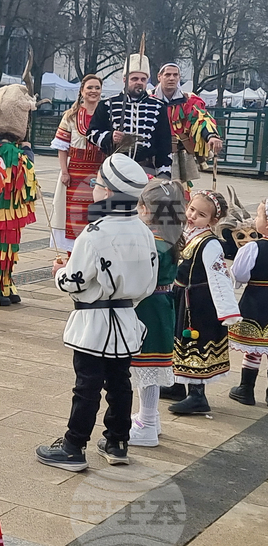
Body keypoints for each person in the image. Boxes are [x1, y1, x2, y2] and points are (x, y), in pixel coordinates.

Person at [36, 154, 158, 471]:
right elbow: (148, 283)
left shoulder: (95, 232)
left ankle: (73, 447)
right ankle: (118, 442)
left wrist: (59, 272)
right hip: (128, 321)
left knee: (86, 386)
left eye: (97, 184)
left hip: (94, 323)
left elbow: (74, 281)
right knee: (120, 384)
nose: (94, 189)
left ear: (107, 192)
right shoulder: (144, 232)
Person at [163, 189, 241, 415]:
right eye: (192, 209)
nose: (193, 215)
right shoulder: (189, 233)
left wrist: (227, 310)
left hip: (197, 305)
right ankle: (177, 385)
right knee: (177, 340)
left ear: (213, 221)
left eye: (201, 214)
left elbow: (219, 277)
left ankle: (197, 395)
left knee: (194, 346)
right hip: (182, 298)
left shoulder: (210, 244)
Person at [128, 179, 186, 447]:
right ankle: (148, 417)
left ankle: (148, 423)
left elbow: (142, 279)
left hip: (148, 306)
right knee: (148, 367)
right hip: (162, 305)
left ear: (147, 210)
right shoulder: (171, 237)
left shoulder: (151, 240)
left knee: (147, 366)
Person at [0, 76, 40, 307]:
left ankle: (4, 283)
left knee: (9, 247)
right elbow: (25, 171)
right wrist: (29, 153)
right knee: (1, 246)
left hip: (9, 211)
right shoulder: (7, 150)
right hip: (2, 209)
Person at [88, 49, 172, 177]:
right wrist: (109, 137)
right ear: (125, 80)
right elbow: (91, 133)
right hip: (115, 167)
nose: (139, 82)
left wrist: (164, 174)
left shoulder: (158, 107)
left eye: (143, 79)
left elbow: (164, 144)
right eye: (134, 78)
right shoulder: (107, 104)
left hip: (145, 169)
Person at [50, 75, 105, 253]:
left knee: (97, 214)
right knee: (74, 215)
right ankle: (72, 258)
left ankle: (93, 257)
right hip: (76, 171)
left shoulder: (107, 115)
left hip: (99, 171)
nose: (93, 91)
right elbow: (62, 147)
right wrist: (64, 172)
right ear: (82, 91)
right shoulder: (71, 116)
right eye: (90, 87)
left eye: (97, 88)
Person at [227, 196, 268, 406]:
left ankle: (246, 388)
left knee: (254, 349)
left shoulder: (253, 248)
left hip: (256, 302)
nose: (256, 219)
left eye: (259, 215)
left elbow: (240, 274)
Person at [154, 62, 223, 186]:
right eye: (167, 75)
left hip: (179, 155)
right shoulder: (149, 99)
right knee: (153, 189)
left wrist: (211, 135)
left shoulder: (189, 100)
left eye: (175, 75)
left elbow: (202, 118)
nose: (172, 78)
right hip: (153, 154)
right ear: (159, 77)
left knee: (179, 191)